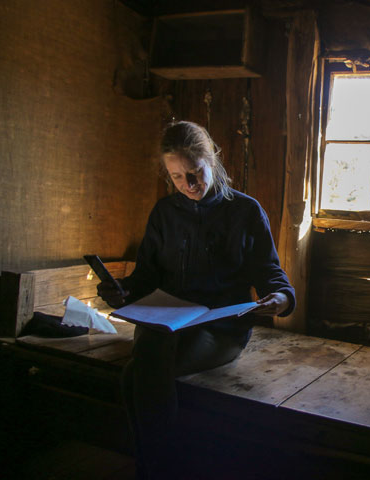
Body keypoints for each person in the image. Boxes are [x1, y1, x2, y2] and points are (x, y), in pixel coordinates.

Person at [97, 120, 295, 478]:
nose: (188, 185)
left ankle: (154, 469)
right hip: (165, 323)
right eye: (175, 177)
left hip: (220, 328)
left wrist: (281, 297)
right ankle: (161, 469)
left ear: (213, 161)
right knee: (150, 352)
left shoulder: (246, 212)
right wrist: (120, 291)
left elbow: (272, 275)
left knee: (136, 374)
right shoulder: (164, 214)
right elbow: (144, 279)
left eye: (194, 172)